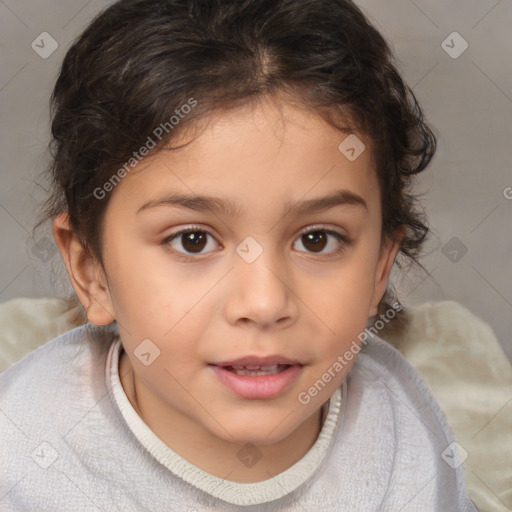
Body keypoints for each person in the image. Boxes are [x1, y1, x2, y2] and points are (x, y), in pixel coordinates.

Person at [0, 0, 479, 510]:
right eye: (193, 240)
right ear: (91, 271)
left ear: (380, 268)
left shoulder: (405, 437)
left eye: (317, 239)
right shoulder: (28, 464)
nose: (265, 301)